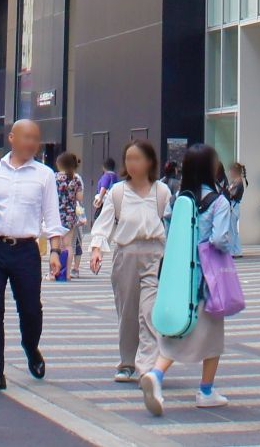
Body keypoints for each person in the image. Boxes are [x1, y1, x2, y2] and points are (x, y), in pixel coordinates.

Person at [0, 118, 64, 391]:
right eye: (26, 137)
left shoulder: (44, 174)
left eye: (36, 139)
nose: (32, 143)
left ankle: (31, 347)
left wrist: (55, 251)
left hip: (26, 250)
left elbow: (52, 217)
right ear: (12, 138)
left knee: (31, 309)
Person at [140, 143, 237, 415]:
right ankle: (205, 390)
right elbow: (220, 239)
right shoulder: (218, 202)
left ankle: (157, 374)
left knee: (179, 331)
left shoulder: (177, 199)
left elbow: (168, 233)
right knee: (213, 336)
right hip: (207, 279)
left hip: (180, 277)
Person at [88, 139, 172, 383]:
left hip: (155, 255)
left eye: (138, 159)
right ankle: (126, 362)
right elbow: (103, 223)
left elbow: (171, 225)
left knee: (149, 311)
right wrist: (96, 249)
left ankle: (147, 367)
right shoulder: (118, 192)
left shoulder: (162, 192)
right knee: (127, 312)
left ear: (150, 162)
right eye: (129, 159)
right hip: (125, 254)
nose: (132, 164)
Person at [54, 152, 84, 280]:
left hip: (56, 214)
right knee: (68, 245)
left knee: (56, 245)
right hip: (70, 215)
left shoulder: (55, 177)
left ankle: (54, 273)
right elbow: (80, 198)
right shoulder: (76, 179)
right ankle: (66, 274)